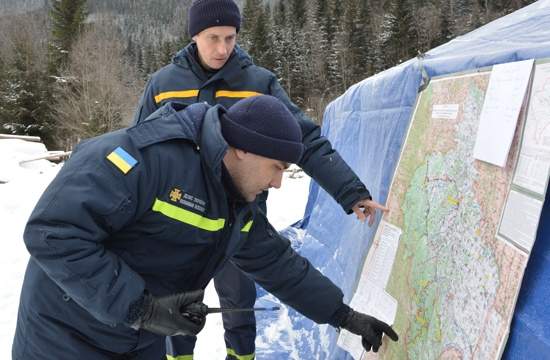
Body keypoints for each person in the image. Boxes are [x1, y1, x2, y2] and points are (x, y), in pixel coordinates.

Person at [12, 95, 398, 360]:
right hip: (65, 335)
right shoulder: (142, 159)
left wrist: (343, 316)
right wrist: (141, 307)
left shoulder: (236, 203)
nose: (279, 182)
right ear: (244, 147)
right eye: (277, 168)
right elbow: (53, 231)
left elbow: (280, 266)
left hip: (139, 338)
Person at [134, 1, 388, 358]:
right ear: (194, 36)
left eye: (230, 37)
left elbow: (305, 141)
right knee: (176, 309)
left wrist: (350, 191)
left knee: (239, 304)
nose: (223, 48)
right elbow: (141, 147)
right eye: (213, 38)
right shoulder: (163, 85)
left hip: (240, 219)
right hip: (177, 220)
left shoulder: (258, 82)